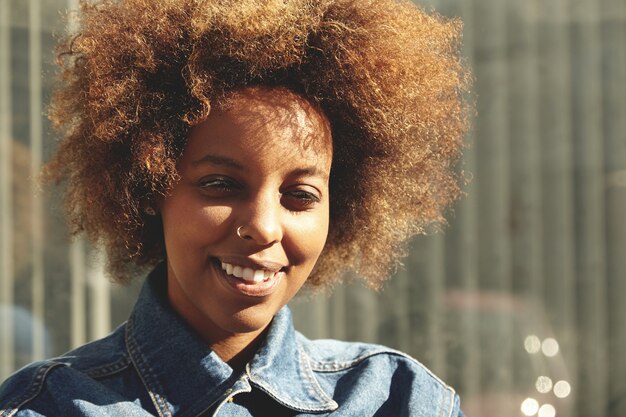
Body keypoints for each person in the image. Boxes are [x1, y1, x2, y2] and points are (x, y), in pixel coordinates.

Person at [0, 0, 470, 415]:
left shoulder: (399, 399)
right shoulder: (47, 406)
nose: (264, 227)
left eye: (301, 196)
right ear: (149, 190)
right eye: (221, 185)